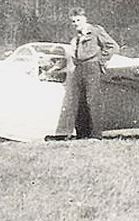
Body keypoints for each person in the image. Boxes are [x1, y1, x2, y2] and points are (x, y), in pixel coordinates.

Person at [49, 7, 118, 140]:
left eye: (78, 20)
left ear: (85, 19)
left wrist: (100, 61)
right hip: (78, 68)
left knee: (93, 100)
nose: (76, 23)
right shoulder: (76, 37)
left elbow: (112, 46)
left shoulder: (96, 31)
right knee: (77, 101)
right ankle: (82, 134)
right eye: (73, 21)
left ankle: (96, 135)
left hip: (92, 67)